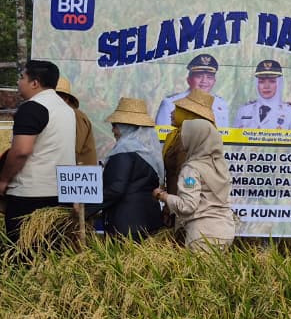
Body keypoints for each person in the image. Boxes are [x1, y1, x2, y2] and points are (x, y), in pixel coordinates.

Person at [0, 60, 75, 246]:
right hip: (61, 195)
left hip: (30, 196)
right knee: (52, 256)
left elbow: (21, 151)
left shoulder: (32, 107)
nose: (19, 82)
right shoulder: (66, 110)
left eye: (22, 77)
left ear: (35, 83)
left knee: (24, 257)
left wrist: (3, 180)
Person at [153, 119, 235, 250]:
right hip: (226, 230)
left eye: (185, 135)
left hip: (203, 235)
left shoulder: (192, 170)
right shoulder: (220, 165)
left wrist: (162, 196)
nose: (181, 139)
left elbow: (187, 205)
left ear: (194, 138)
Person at [91, 97, 164, 239]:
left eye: (115, 125)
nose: (112, 130)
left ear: (126, 127)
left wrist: (85, 209)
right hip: (149, 222)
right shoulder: (149, 153)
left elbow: (116, 189)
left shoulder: (124, 152)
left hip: (127, 227)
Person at [162, 89, 217, 197]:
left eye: (177, 110)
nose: (172, 112)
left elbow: (188, 180)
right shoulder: (178, 136)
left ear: (188, 114)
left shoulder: (189, 140)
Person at [155, 54, 231, 127]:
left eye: (209, 77)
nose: (204, 81)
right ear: (189, 80)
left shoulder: (221, 104)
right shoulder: (170, 104)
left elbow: (225, 136)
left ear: (214, 81)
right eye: (199, 76)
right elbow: (160, 137)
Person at [235, 59, 291, 129]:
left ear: (279, 83)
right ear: (256, 83)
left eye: (272, 81)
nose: (266, 86)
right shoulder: (244, 111)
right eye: (261, 81)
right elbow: (233, 139)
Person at [56, 76, 98, 166]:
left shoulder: (75, 116)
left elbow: (74, 148)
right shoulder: (65, 114)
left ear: (66, 98)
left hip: (80, 173)